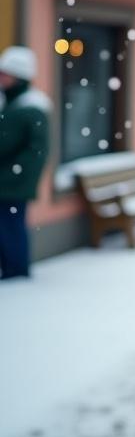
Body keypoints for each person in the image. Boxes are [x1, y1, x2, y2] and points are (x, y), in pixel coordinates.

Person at [0, 45, 52, 280]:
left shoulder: (30, 108)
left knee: (11, 227)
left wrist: (12, 175)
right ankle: (11, 267)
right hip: (8, 179)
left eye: (6, 74)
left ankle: (16, 269)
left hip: (12, 183)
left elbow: (35, 152)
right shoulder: (11, 103)